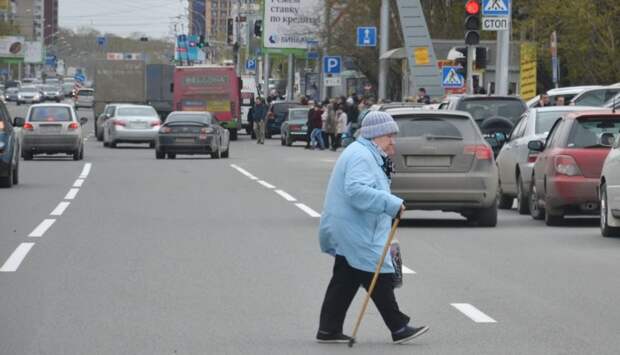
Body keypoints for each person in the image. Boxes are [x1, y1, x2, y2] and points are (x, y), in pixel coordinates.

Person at [316, 111, 429, 344]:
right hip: (354, 227)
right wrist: (391, 204)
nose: (393, 141)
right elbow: (356, 190)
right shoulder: (361, 156)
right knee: (378, 273)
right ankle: (398, 327)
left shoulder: (366, 153)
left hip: (352, 224)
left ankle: (328, 329)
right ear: (376, 136)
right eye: (389, 136)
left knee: (345, 277)